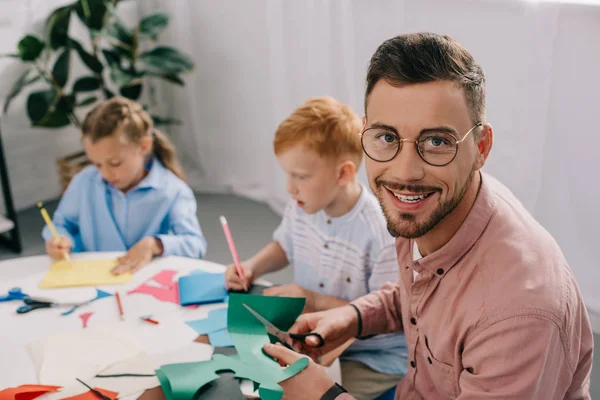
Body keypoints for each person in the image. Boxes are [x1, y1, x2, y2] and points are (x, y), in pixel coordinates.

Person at [262, 32, 594, 400]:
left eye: (436, 141)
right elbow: (425, 292)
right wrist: (354, 317)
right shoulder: (433, 205)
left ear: (480, 147)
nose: (405, 173)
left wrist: (326, 397)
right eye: (386, 137)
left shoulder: (519, 312)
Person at [225, 96, 408, 399]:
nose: (289, 187)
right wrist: (251, 267)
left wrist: (310, 297)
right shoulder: (302, 204)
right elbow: (285, 245)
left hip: (371, 356)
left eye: (300, 176)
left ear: (342, 174)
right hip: (312, 331)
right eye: (288, 175)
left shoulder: (380, 232)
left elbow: (380, 319)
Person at [43, 96, 207, 275]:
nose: (105, 173)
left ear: (144, 146)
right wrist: (58, 239)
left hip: (146, 281)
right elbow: (61, 223)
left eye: (114, 163)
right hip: (93, 279)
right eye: (97, 164)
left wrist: (155, 244)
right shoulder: (84, 181)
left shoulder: (173, 191)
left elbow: (195, 245)